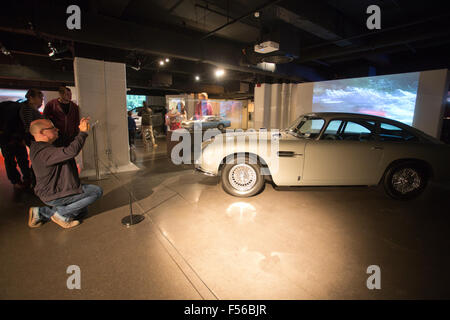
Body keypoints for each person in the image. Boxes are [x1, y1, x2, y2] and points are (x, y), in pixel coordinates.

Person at [27, 118, 103, 229]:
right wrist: (83, 133)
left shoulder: (38, 147)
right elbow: (70, 152)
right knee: (96, 192)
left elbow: (67, 148)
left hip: (52, 191)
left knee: (82, 211)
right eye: (52, 128)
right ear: (42, 132)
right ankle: (61, 216)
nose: (56, 129)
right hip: (55, 194)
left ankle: (40, 213)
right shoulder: (44, 152)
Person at [0, 100, 31, 188]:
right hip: (7, 138)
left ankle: (19, 180)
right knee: (16, 159)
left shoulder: (17, 108)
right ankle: (22, 180)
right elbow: (13, 125)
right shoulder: (19, 110)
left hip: (9, 138)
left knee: (13, 159)